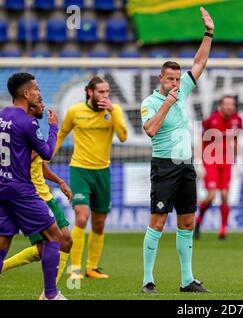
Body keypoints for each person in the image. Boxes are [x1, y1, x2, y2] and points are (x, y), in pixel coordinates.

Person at [140, 6, 214, 294]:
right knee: (158, 221)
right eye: (170, 79)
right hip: (164, 166)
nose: (175, 83)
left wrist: (209, 33)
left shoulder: (183, 87)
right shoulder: (151, 102)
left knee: (186, 221)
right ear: (161, 79)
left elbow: (199, 62)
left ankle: (187, 280)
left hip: (185, 165)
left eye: (177, 78)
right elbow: (150, 130)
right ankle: (148, 280)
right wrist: (169, 102)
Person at [54, 76, 128, 280]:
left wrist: (113, 111)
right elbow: (61, 133)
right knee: (81, 216)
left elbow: (123, 136)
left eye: (107, 92)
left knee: (99, 223)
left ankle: (92, 267)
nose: (105, 95)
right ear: (90, 92)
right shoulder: (75, 111)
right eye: (101, 92)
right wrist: (48, 156)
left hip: (103, 171)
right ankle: (75, 268)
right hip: (80, 170)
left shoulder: (114, 111)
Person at [0, 72, 66, 300]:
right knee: (54, 236)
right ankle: (51, 294)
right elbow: (47, 152)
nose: (39, 92)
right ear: (26, 93)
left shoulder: (2, 115)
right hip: (21, 189)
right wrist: (54, 128)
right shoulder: (26, 121)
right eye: (36, 89)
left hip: (2, 187)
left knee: (3, 239)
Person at [194, 95, 242, 240]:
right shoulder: (211, 120)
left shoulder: (236, 120)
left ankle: (223, 231)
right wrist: (197, 161)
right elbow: (200, 140)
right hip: (210, 161)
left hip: (226, 161)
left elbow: (236, 139)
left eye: (231, 104)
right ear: (221, 106)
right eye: (226, 104)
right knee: (211, 196)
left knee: (226, 196)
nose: (229, 107)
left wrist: (239, 159)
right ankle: (198, 221)